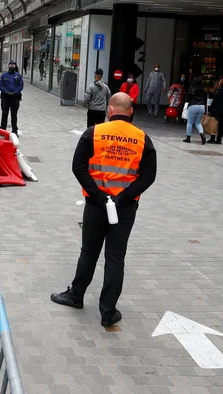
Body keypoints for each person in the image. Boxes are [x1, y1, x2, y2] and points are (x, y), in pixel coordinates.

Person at [50, 93, 157, 327]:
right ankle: (108, 312)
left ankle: (76, 295)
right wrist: (124, 196)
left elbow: (78, 166)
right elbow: (149, 175)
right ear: (130, 112)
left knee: (89, 252)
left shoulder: (94, 133)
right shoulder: (142, 139)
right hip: (125, 207)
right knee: (115, 257)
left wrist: (98, 194)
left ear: (110, 110)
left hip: (96, 205)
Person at [0, 60, 24, 134]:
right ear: (8, 66)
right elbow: (0, 85)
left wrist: (16, 92)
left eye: (13, 65)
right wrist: (6, 92)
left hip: (15, 97)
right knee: (4, 114)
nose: (12, 66)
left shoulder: (18, 76)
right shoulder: (4, 75)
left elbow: (21, 85)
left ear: (15, 66)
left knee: (14, 115)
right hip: (5, 97)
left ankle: (14, 130)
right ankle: (2, 130)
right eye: (10, 65)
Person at [183, 76, 207, 144]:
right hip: (202, 107)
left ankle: (188, 137)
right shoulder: (203, 90)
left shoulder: (192, 89)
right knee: (198, 122)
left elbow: (187, 98)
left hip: (193, 106)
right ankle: (202, 134)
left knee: (190, 122)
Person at [208, 79, 223, 144]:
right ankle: (219, 139)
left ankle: (212, 138)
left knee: (214, 124)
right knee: (221, 126)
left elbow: (214, 102)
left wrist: (210, 109)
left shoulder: (217, 92)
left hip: (217, 110)